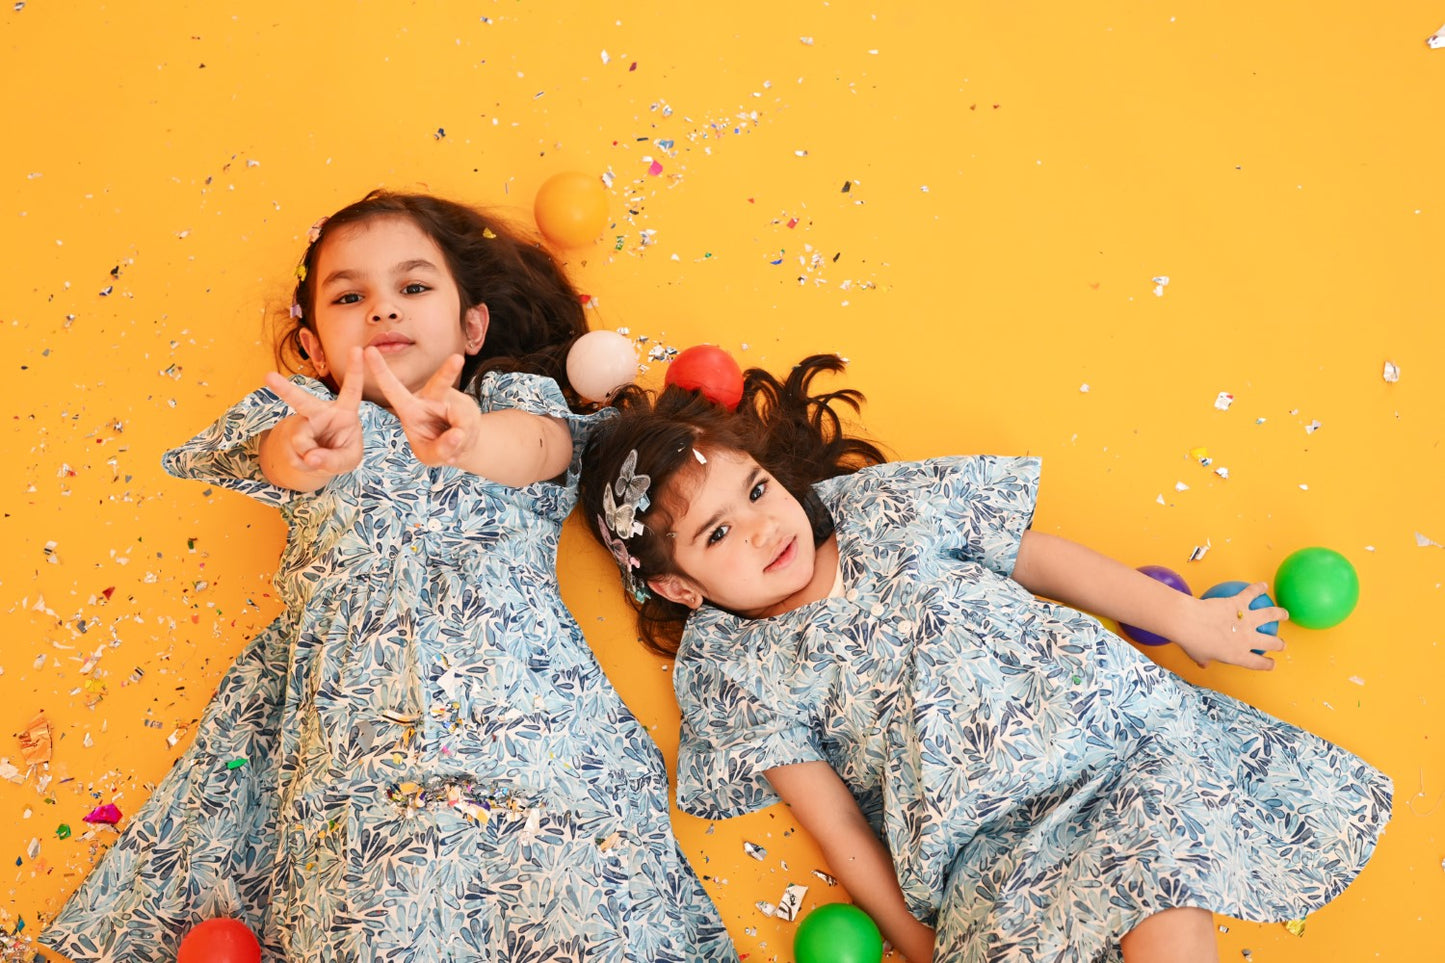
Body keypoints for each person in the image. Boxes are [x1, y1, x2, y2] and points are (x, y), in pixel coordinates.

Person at [40, 191, 733, 962]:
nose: (381, 310)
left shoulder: (504, 406)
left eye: (412, 287)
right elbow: (273, 460)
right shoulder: (309, 424)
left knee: (580, 893)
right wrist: (304, 447)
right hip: (364, 743)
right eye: (348, 297)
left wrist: (470, 441)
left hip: (527, 718)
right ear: (311, 350)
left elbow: (544, 451)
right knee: (372, 905)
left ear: (471, 325)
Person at [577, 354, 1392, 963]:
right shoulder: (740, 673)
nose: (761, 527)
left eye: (755, 489)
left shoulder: (886, 512)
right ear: (681, 588)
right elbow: (833, 823)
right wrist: (915, 940)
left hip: (1114, 744)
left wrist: (1184, 617)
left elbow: (1037, 559)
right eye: (718, 533)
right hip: (989, 838)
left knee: (1162, 871)